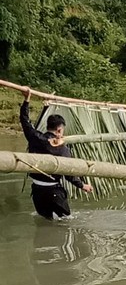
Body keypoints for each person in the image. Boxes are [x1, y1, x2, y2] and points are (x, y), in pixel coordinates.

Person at [19, 88, 93, 220]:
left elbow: (25, 121)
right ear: (59, 130)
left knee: (44, 221)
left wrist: (26, 100)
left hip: (37, 191)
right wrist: (83, 185)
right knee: (66, 222)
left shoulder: (35, 138)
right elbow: (69, 173)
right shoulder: (62, 149)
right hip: (53, 192)